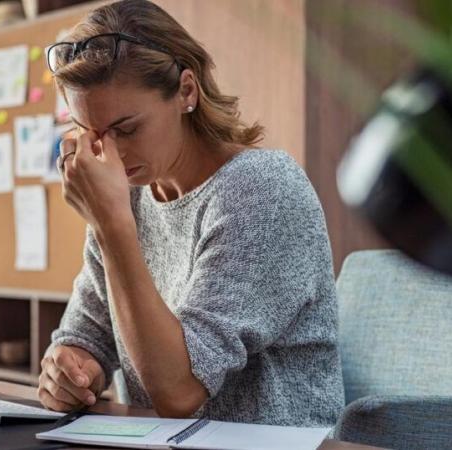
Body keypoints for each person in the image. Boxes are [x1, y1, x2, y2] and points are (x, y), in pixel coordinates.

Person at [38, 0, 344, 426]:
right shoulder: (128, 197)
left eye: (126, 129)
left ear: (186, 91)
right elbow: (87, 332)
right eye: (92, 133)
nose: (110, 153)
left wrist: (111, 225)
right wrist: (69, 368)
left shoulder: (262, 189)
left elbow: (179, 391)